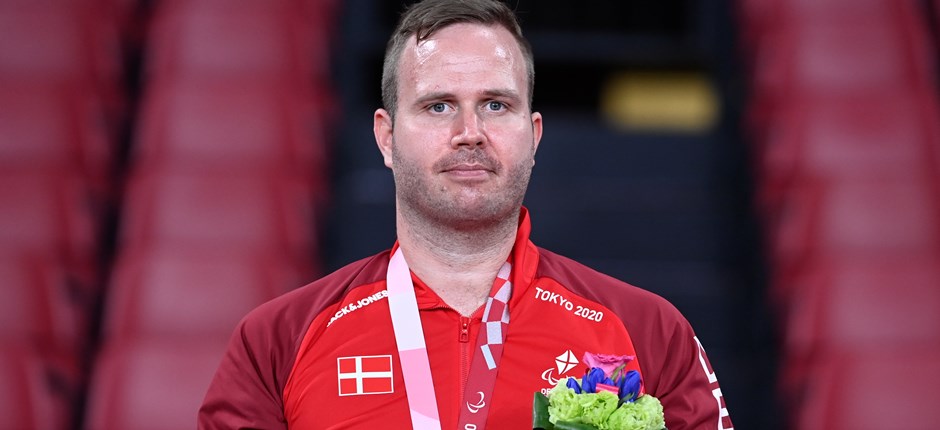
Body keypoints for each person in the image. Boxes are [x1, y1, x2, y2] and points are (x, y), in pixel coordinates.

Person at [198, 0, 733, 428]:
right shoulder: (277, 340)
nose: (469, 132)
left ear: (534, 133)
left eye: (496, 105)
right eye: (438, 106)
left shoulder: (649, 331)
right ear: (385, 136)